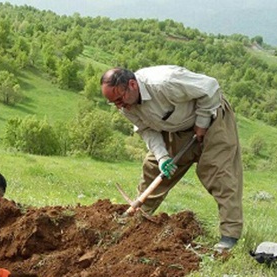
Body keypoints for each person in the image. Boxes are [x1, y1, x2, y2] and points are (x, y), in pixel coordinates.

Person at [101, 65, 242, 251]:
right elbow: (147, 130)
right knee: (153, 167)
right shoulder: (126, 107)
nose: (119, 106)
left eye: (120, 99)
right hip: (176, 129)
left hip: (213, 119)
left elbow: (211, 87)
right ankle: (137, 219)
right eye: (114, 103)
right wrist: (162, 157)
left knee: (220, 174)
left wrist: (202, 121)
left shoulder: (165, 82)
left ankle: (229, 236)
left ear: (132, 84)